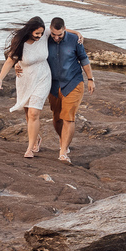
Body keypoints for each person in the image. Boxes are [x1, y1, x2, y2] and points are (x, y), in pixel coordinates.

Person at [0, 16, 52, 158]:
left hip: (43, 77)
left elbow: (59, 30)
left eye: (41, 33)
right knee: (28, 114)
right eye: (37, 33)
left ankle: (29, 148)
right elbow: (10, 61)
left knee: (34, 113)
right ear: (29, 31)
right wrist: (0, 79)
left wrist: (77, 33)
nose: (40, 36)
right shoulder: (19, 42)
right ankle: (36, 138)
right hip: (25, 79)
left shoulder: (45, 35)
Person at [45, 17, 95, 163]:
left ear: (64, 29)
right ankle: (63, 141)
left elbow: (84, 59)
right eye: (54, 34)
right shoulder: (46, 38)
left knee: (68, 117)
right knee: (57, 117)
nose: (56, 37)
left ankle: (63, 152)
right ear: (50, 30)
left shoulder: (74, 40)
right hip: (53, 85)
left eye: (59, 35)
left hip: (73, 82)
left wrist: (90, 79)